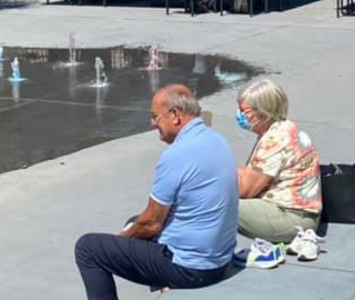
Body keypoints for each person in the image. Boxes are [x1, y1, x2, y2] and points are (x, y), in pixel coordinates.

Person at [75, 85, 238, 298]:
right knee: (134, 221)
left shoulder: (177, 154)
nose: (153, 124)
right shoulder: (216, 140)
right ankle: (164, 288)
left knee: (89, 248)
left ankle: (167, 282)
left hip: (192, 269)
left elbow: (152, 223)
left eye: (155, 117)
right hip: (218, 258)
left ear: (175, 116)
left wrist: (122, 238)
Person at [235, 78, 322, 246]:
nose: (239, 115)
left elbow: (247, 190)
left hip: (291, 218)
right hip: (302, 214)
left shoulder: (275, 140)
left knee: (213, 204)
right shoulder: (285, 128)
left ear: (262, 111)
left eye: (243, 110)